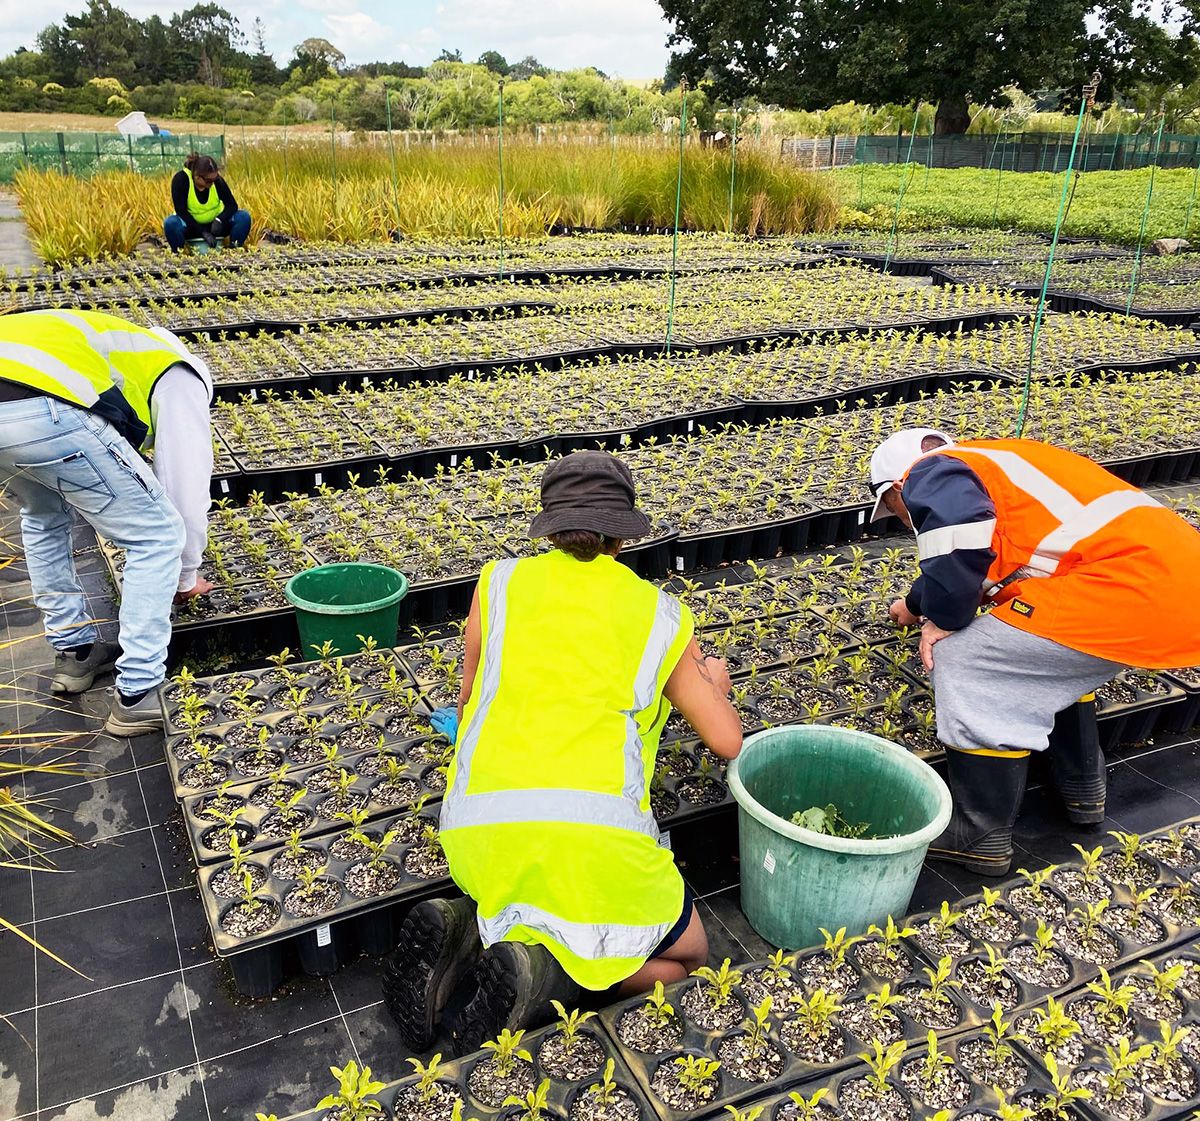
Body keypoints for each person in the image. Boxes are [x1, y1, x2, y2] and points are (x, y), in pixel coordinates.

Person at [382, 450, 743, 1054]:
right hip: (592, 843)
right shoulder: (658, 615)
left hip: (477, 832)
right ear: (622, 536)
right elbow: (726, 740)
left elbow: (469, 699)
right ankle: (545, 975)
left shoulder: (499, 583)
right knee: (690, 962)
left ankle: (469, 933)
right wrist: (714, 680)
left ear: (549, 528)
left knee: (531, 894)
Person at [869, 428, 1200, 876]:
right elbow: (987, 554)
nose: (902, 521)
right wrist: (912, 605)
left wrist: (942, 621)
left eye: (892, 509)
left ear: (895, 488)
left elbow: (962, 543)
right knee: (1040, 660)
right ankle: (1082, 787)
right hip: (1174, 588)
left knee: (966, 660)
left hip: (1125, 594)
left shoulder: (928, 473)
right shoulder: (998, 459)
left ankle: (979, 833)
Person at [0, 309, 215, 734]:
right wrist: (186, 576)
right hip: (40, 405)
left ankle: (74, 653)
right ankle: (138, 692)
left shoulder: (117, 344)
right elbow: (185, 481)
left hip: (16, 393)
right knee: (156, 536)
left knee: (43, 516)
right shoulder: (180, 374)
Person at [163, 153, 251, 252]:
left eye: (214, 179)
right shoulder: (181, 180)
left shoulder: (216, 182)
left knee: (243, 217)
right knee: (171, 224)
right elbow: (181, 211)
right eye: (208, 181)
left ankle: (235, 250)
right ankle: (178, 253)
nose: (212, 184)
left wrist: (219, 220)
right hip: (192, 226)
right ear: (197, 176)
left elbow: (232, 205)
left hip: (215, 227)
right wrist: (203, 232)